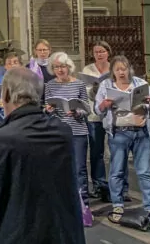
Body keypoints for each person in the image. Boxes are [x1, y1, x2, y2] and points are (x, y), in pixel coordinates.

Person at [0, 68, 85, 244]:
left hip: (13, 232)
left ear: (8, 94)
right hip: (58, 232)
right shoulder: (62, 132)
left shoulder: (0, 139)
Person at [96, 56, 150, 223]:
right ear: (113, 71)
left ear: (129, 69)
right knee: (117, 171)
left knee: (144, 171)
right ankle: (118, 205)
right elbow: (98, 109)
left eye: (124, 69)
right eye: (117, 69)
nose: (121, 72)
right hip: (119, 133)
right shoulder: (106, 85)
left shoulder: (140, 84)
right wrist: (105, 104)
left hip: (141, 133)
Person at [44, 52, 90, 206]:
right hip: (58, 132)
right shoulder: (50, 85)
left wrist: (77, 112)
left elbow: (87, 109)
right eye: (56, 67)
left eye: (62, 66)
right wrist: (48, 110)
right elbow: (47, 107)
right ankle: (63, 201)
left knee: (79, 169)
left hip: (77, 132)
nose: (60, 70)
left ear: (69, 66)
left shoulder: (79, 84)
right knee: (59, 168)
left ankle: (83, 203)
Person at [83, 40, 114, 201]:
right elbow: (86, 93)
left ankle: (118, 186)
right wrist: (96, 89)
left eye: (102, 51)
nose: (99, 54)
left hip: (113, 115)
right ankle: (98, 184)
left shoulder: (114, 68)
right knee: (97, 151)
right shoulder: (88, 70)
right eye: (96, 52)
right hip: (94, 116)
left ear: (108, 52)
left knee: (116, 152)